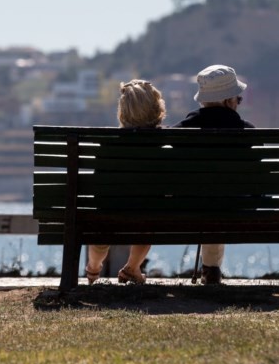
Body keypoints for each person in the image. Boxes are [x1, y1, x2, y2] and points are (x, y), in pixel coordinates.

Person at [171, 64, 254, 284]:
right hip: (237, 207)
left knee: (208, 198)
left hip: (186, 206)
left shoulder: (180, 132)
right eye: (239, 99)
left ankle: (210, 269)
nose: (239, 103)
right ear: (229, 101)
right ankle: (212, 269)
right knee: (221, 198)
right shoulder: (248, 133)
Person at [84, 79, 166, 285]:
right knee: (148, 221)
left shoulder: (107, 145)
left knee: (101, 228)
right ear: (157, 109)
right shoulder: (164, 146)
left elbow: (98, 187)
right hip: (148, 215)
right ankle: (132, 267)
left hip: (109, 212)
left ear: (123, 111)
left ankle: (93, 269)